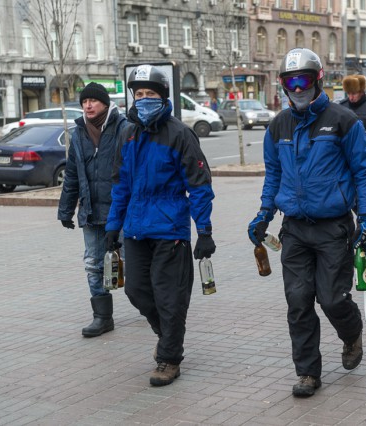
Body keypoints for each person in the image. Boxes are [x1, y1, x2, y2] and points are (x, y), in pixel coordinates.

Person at [247, 48, 366, 398]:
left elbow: (365, 169)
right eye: (291, 81)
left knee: (333, 299)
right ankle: (307, 372)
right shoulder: (278, 126)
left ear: (318, 79)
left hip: (333, 226)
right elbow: (273, 174)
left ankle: (351, 334)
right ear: (282, 85)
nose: (297, 87)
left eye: (303, 80)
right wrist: (264, 213)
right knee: (298, 300)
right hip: (294, 228)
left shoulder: (342, 121)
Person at [105, 64, 216, 387]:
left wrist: (204, 231)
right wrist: (114, 226)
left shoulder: (180, 134)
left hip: (170, 231)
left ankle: (168, 358)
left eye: (149, 94)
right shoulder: (128, 133)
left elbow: (199, 185)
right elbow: (120, 184)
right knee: (137, 291)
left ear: (163, 97)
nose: (143, 100)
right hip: (136, 229)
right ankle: (167, 335)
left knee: (170, 297)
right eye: (138, 94)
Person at [58, 82, 128, 338]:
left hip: (120, 211)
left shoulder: (123, 128)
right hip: (90, 211)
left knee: (130, 262)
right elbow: (73, 175)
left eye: (93, 101)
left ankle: (151, 303)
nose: (88, 105)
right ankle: (103, 317)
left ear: (105, 104)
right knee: (92, 264)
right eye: (84, 101)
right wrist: (65, 210)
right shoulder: (78, 134)